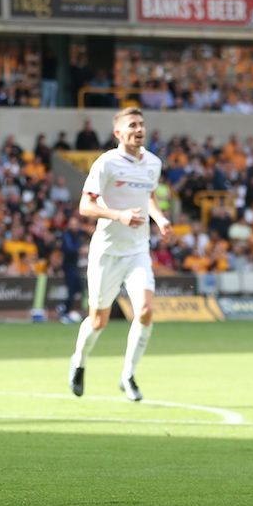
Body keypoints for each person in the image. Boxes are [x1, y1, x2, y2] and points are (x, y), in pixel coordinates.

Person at [68, 107, 171, 402]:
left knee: (146, 311)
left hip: (138, 250)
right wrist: (119, 215)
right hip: (107, 250)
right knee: (98, 321)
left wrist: (160, 218)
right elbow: (85, 206)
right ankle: (79, 361)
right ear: (118, 133)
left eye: (141, 124)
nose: (139, 129)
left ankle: (128, 375)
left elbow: (149, 195)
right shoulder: (106, 163)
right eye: (132, 125)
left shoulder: (153, 163)